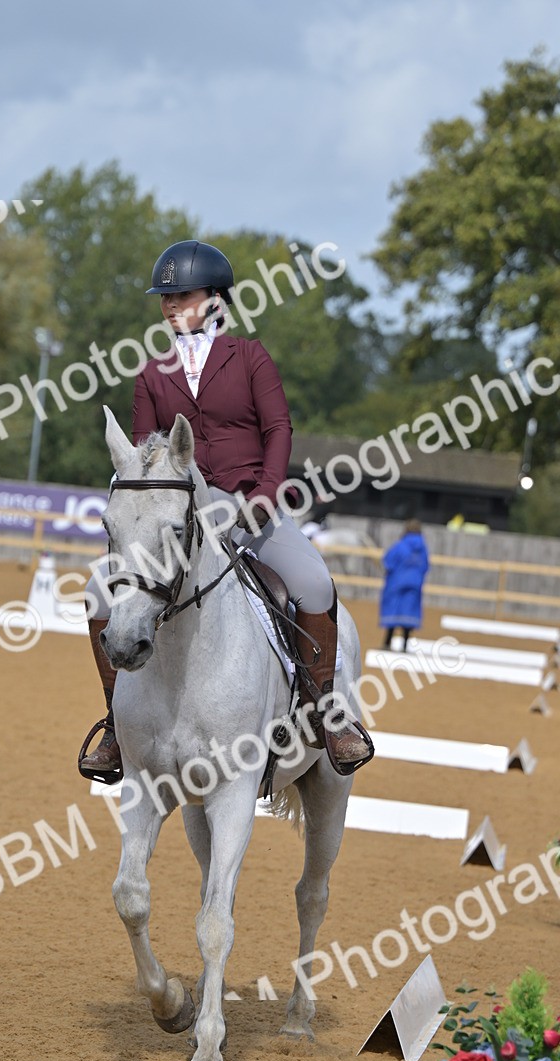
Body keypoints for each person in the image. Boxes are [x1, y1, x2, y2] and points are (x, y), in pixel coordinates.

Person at [79, 239, 372, 780]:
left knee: (313, 583)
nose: (169, 305)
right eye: (164, 297)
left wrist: (264, 495)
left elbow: (278, 429)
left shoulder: (250, 357)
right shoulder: (152, 374)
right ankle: (117, 729)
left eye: (181, 295)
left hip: (245, 503)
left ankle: (330, 716)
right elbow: (147, 455)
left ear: (214, 299)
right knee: (100, 592)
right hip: (179, 513)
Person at [379, 519, 430, 651]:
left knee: (393, 611)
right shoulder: (423, 549)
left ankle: (387, 642)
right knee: (409, 613)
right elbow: (425, 566)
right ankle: (405, 645)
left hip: (396, 583)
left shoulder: (400, 545)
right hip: (414, 585)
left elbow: (388, 561)